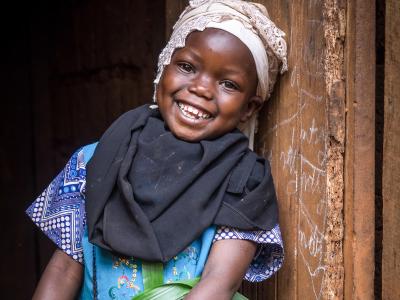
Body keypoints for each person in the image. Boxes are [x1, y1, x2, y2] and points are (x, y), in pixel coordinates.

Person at [26, 0, 288, 299]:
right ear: (164, 66)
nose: (201, 88)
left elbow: (220, 283)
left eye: (228, 84)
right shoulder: (94, 160)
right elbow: (63, 270)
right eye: (187, 67)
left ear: (249, 108)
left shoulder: (244, 181)